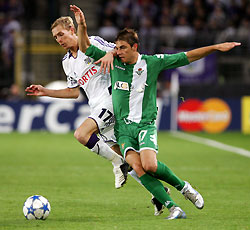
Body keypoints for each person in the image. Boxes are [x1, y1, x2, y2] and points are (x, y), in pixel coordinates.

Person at [71, 4, 241, 219]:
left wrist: (216, 47)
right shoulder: (114, 60)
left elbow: (186, 56)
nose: (117, 51)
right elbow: (85, 47)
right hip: (123, 129)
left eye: (122, 48)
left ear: (135, 47)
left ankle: (184, 187)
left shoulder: (152, 63)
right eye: (116, 47)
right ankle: (174, 208)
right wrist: (82, 25)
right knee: (137, 168)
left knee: (150, 165)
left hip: (145, 124)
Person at [25, 15, 129, 189]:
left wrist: (111, 54)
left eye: (61, 34)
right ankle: (159, 193)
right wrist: (45, 91)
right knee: (129, 157)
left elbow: (120, 51)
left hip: (113, 99)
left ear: (72, 30)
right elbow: (73, 92)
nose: (58, 40)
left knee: (81, 134)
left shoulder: (92, 42)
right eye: (55, 37)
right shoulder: (67, 62)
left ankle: (117, 163)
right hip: (96, 106)